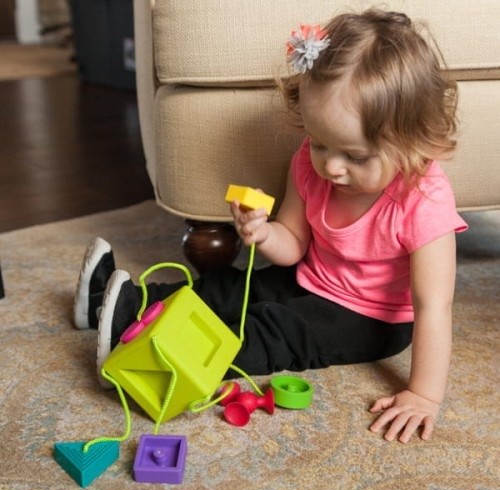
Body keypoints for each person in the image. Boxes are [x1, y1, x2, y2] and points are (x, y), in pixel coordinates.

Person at [74, 9, 467, 443]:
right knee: (224, 287)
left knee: (270, 329)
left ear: (413, 140)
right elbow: (294, 243)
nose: (332, 167)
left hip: (370, 318)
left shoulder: (422, 198)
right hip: (308, 275)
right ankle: (118, 303)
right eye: (320, 143)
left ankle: (156, 355)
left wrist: (424, 395)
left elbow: (434, 307)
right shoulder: (308, 163)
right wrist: (262, 234)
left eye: (355, 156)